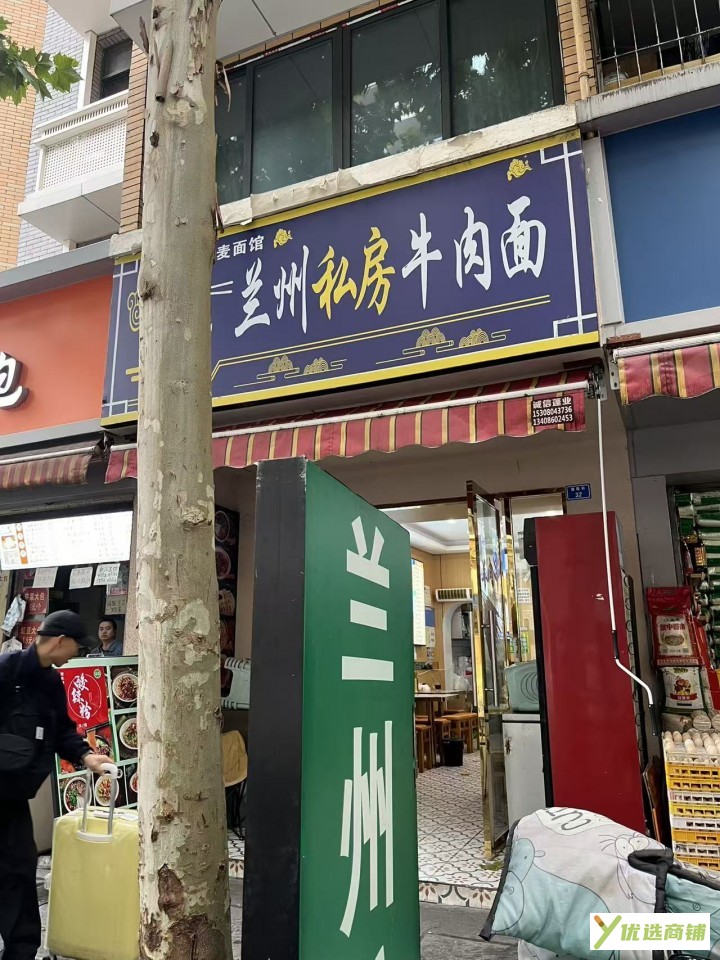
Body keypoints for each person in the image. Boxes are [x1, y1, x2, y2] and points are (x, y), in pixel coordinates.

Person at [0, 610, 109, 960]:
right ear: (60, 641)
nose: (78, 654)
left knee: (20, 869)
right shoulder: (6, 670)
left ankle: (20, 953)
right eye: (78, 647)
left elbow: (63, 730)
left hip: (13, 800)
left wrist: (87, 756)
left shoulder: (51, 682)